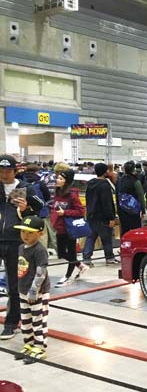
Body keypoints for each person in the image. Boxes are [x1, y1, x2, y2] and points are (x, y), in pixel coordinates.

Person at [0, 155, 45, 341]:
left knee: (13, 284)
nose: (3, 174)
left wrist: (25, 209)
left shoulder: (26, 188)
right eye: (1, 171)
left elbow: (41, 208)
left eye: (7, 171)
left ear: (15, 171)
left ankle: (12, 323)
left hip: (15, 241)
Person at [13, 216, 50, 363]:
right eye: (23, 232)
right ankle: (29, 343)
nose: (25, 236)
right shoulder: (21, 248)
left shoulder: (39, 250)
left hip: (38, 292)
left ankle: (40, 346)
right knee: (26, 319)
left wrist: (34, 290)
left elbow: (41, 271)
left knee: (38, 319)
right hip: (23, 289)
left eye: (30, 233)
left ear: (40, 234)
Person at [51, 169, 88, 286]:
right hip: (59, 227)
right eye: (58, 178)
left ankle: (68, 276)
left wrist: (65, 212)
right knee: (61, 253)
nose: (57, 180)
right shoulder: (57, 192)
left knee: (71, 253)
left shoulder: (72, 195)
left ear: (67, 181)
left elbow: (81, 211)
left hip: (69, 228)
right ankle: (80, 265)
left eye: (61, 179)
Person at [82, 163, 119, 266]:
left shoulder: (90, 184)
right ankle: (110, 257)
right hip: (103, 217)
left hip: (91, 215)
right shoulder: (104, 185)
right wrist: (111, 217)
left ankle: (86, 258)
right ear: (105, 172)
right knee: (106, 238)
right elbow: (107, 202)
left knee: (91, 237)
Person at [116, 161, 145, 236]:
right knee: (135, 231)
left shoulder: (119, 180)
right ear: (133, 170)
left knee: (124, 231)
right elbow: (141, 196)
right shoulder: (136, 181)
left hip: (122, 210)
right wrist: (143, 210)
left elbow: (117, 195)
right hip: (133, 210)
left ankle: (124, 245)